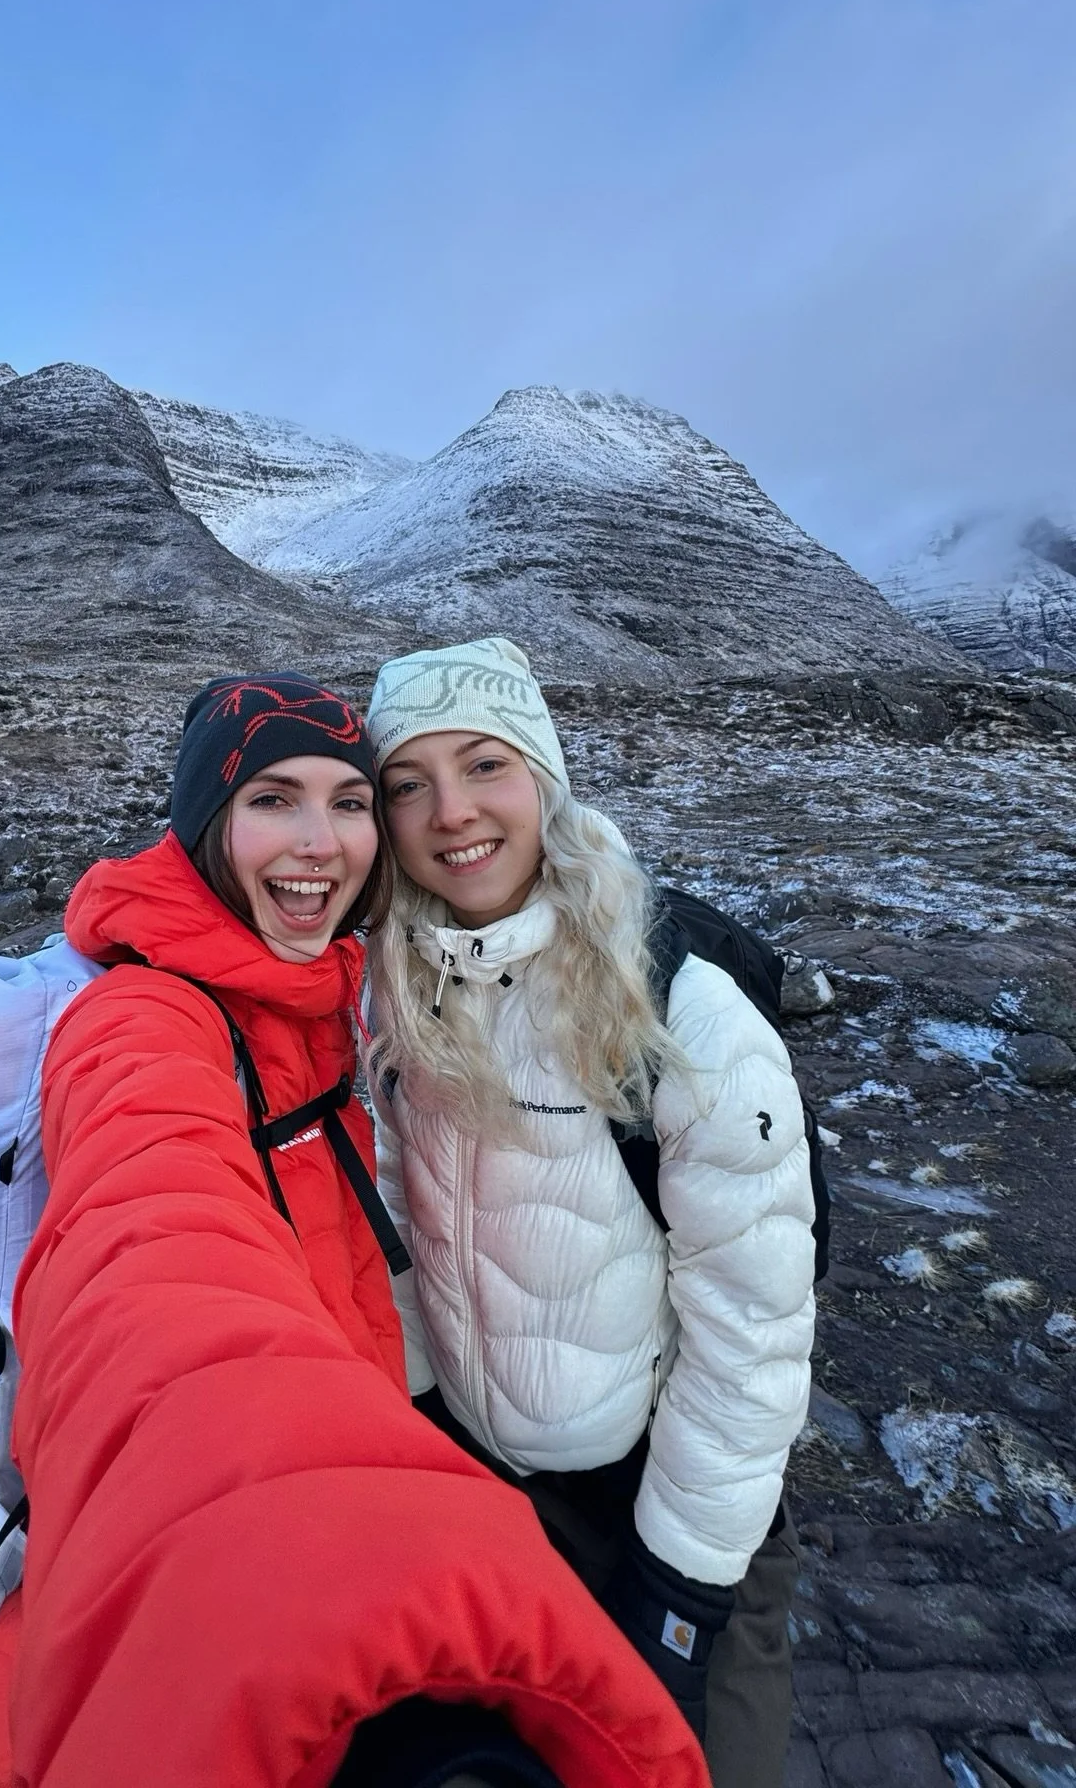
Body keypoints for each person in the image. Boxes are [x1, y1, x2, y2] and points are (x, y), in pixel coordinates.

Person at [0, 672, 707, 1788]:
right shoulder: (143, 1019)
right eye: (273, 799)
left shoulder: (309, 994)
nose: (321, 843)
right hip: (259, 1550)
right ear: (206, 824)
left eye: (350, 802)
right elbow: (156, 1248)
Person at [364, 638, 816, 1788]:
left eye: (485, 765)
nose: (451, 813)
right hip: (495, 1490)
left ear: (545, 778)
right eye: (408, 783)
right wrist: (421, 1419)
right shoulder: (395, 987)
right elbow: (401, 1225)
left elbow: (752, 1329)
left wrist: (682, 1586)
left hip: (669, 1504)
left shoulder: (680, 1006)